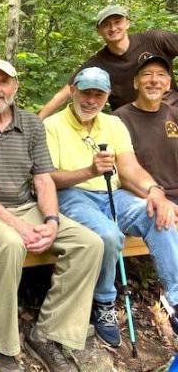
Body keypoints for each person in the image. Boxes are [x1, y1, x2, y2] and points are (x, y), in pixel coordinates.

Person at [0, 59, 102, 372]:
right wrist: (16, 225)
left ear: (15, 86)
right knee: (11, 244)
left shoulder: (31, 124)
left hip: (29, 207)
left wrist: (51, 221)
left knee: (89, 243)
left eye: (3, 81)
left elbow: (43, 179)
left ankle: (49, 335)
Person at [44, 66, 178, 347]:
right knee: (108, 235)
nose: (91, 100)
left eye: (98, 94)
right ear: (72, 91)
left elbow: (129, 168)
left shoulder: (113, 124)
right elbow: (48, 179)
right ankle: (104, 302)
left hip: (113, 194)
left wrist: (154, 191)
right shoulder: (52, 126)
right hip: (72, 194)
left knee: (157, 214)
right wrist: (89, 171)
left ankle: (176, 299)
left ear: (107, 96)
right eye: (86, 92)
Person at [39, 5, 178, 118]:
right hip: (132, 122)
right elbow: (65, 94)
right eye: (106, 24)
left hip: (171, 111)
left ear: (127, 23)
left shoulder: (154, 40)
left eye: (117, 22)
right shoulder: (98, 63)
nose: (113, 28)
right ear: (99, 31)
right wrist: (38, 120)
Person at [114, 54, 178, 204]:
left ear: (168, 84)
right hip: (147, 199)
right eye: (147, 74)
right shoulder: (119, 119)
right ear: (136, 82)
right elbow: (120, 174)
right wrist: (158, 201)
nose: (154, 80)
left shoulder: (175, 114)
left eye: (161, 75)